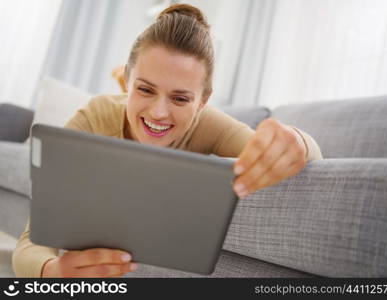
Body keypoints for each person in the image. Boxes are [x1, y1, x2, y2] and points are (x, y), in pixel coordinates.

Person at [12, 4, 322, 278]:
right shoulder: (95, 116)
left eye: (180, 98)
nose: (159, 113)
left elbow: (298, 156)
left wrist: (297, 140)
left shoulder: (209, 123)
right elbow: (31, 239)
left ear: (202, 101)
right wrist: (51, 271)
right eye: (145, 89)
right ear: (130, 81)